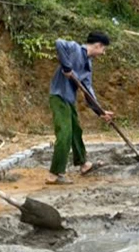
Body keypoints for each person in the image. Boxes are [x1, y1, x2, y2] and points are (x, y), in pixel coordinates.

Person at [48, 31, 114, 185]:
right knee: (65, 133)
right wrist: (66, 67)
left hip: (68, 100)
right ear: (97, 45)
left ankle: (83, 164)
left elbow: (88, 90)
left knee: (75, 131)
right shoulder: (74, 49)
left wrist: (100, 112)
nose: (103, 53)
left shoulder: (87, 66)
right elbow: (58, 42)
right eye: (103, 49)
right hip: (58, 96)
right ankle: (54, 174)